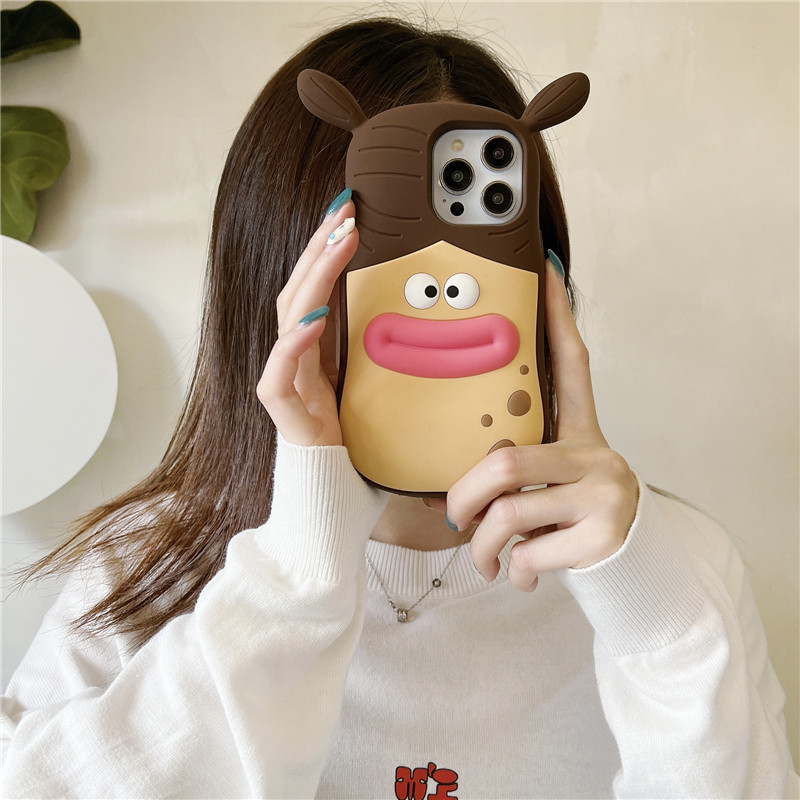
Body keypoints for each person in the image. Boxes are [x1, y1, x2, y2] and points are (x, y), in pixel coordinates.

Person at [2, 17, 797, 799]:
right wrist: (295, 577)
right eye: (385, 248)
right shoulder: (143, 567)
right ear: (276, 277)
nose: (438, 294)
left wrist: (654, 621)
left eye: (479, 250)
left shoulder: (672, 571)